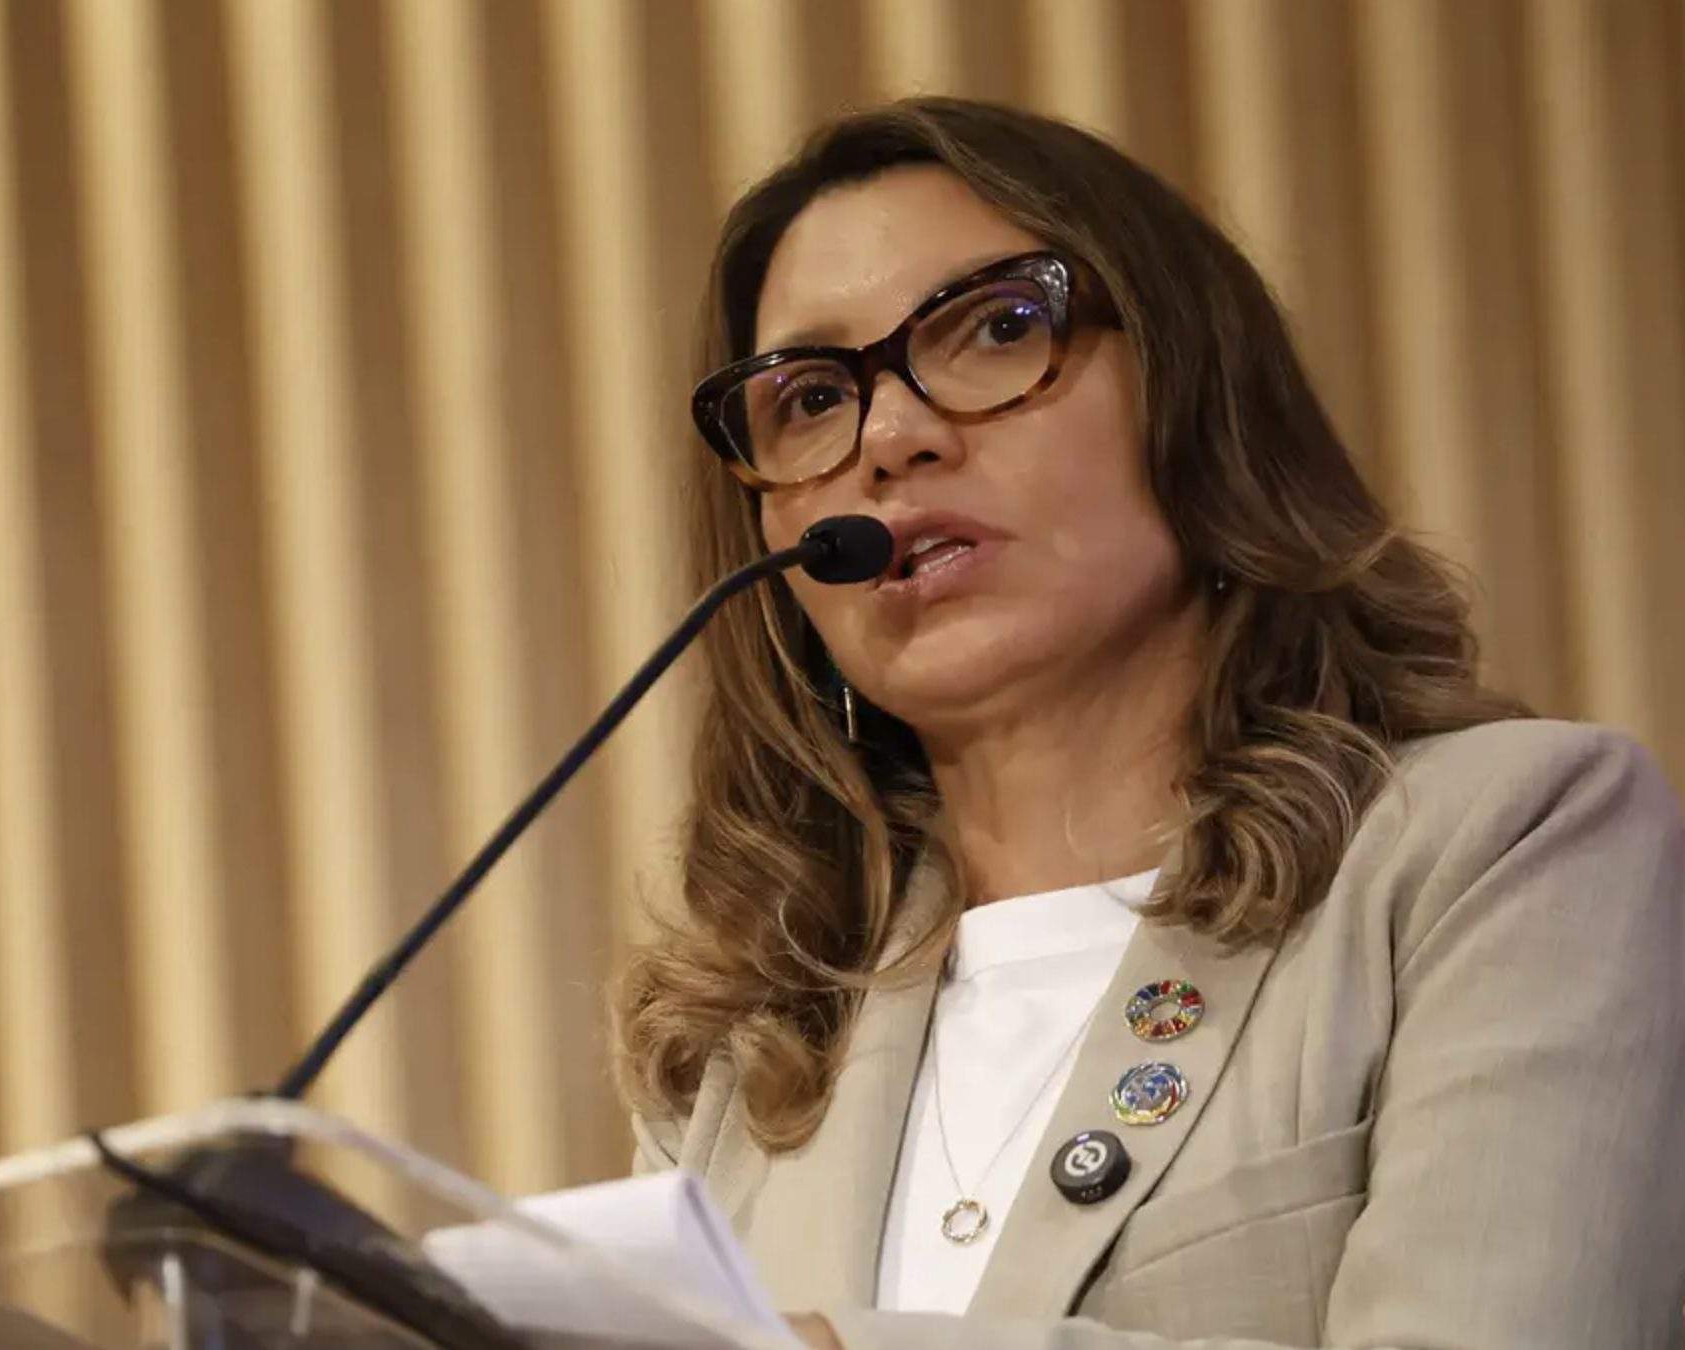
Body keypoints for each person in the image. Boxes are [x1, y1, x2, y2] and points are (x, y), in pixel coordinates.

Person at [614, 97, 1685, 1349]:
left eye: (997, 328)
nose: (890, 438)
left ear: (1193, 392)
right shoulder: (746, 1046)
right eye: (807, 400)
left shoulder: (1507, 849)